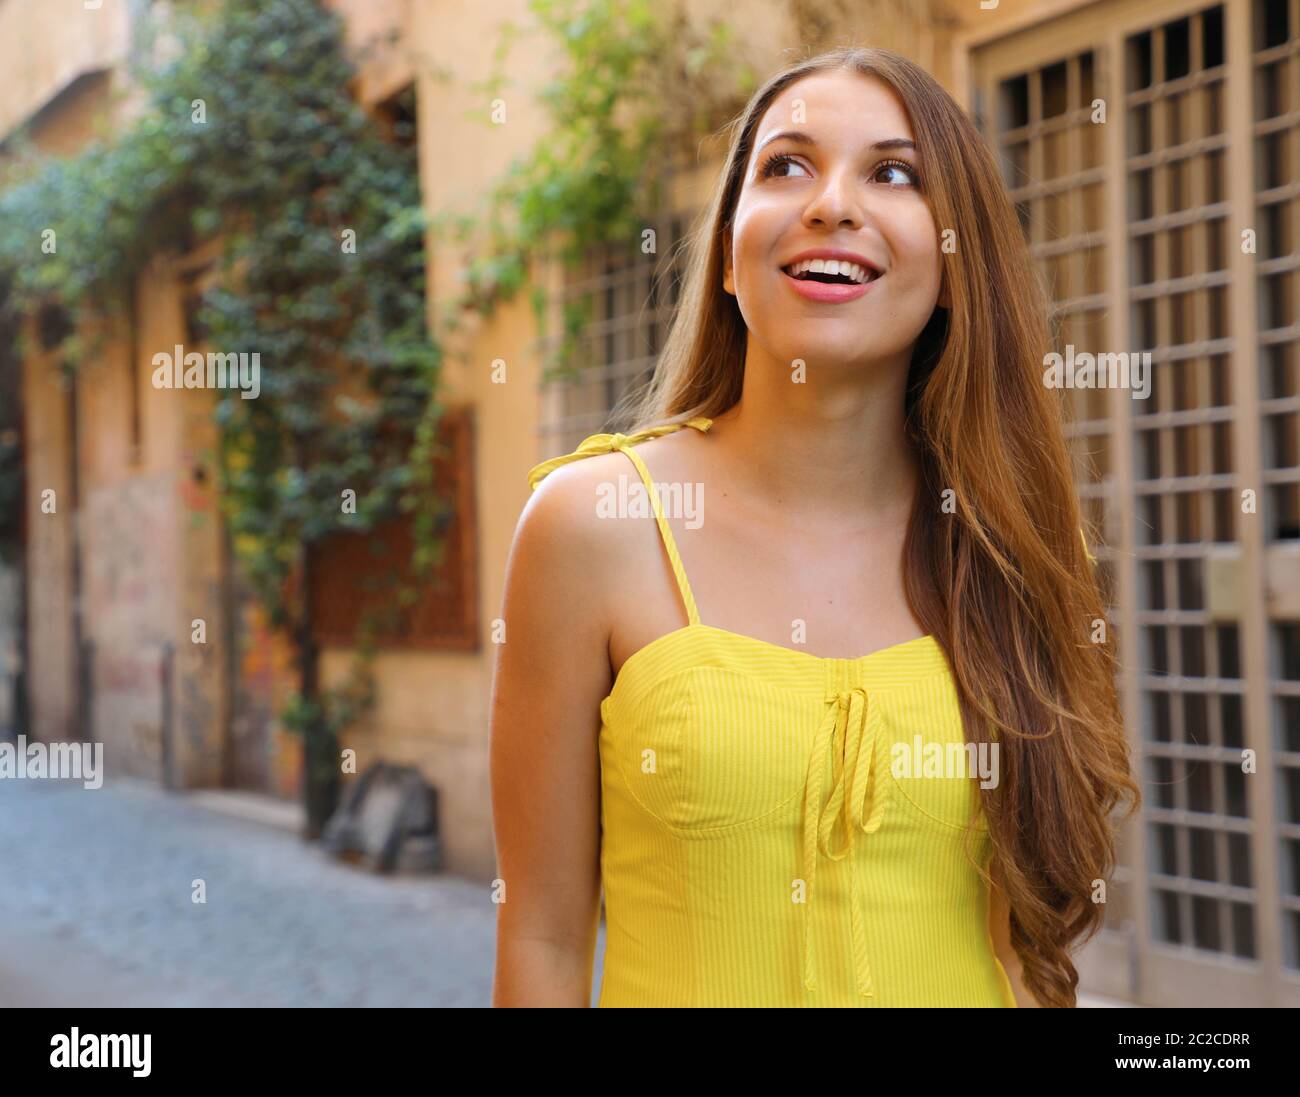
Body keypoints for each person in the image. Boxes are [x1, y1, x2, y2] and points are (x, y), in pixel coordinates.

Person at [490, 45, 1139, 1008]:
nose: (831, 202)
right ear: (724, 254)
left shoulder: (1014, 549)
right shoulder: (591, 526)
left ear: (958, 267)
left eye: (894, 173)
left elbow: (1027, 948)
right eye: (786, 164)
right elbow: (542, 936)